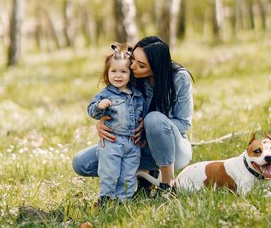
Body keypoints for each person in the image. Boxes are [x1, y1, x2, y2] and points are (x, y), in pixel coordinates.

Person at [73, 36, 193, 193]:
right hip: (134, 146)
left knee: (153, 119)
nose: (133, 66)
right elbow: (113, 101)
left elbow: (184, 124)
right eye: (134, 59)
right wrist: (102, 120)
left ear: (156, 67)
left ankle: (166, 185)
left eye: (141, 65)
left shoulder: (179, 78)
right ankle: (142, 176)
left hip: (174, 151)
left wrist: (149, 127)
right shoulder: (132, 75)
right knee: (81, 163)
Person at [87, 44, 144, 203]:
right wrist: (99, 107)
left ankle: (122, 201)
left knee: (128, 174)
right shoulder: (105, 94)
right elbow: (91, 110)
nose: (118, 75)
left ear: (130, 74)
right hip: (112, 141)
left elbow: (141, 115)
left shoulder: (137, 94)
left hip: (133, 143)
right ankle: (106, 199)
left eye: (123, 71)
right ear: (107, 73)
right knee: (109, 173)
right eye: (113, 71)